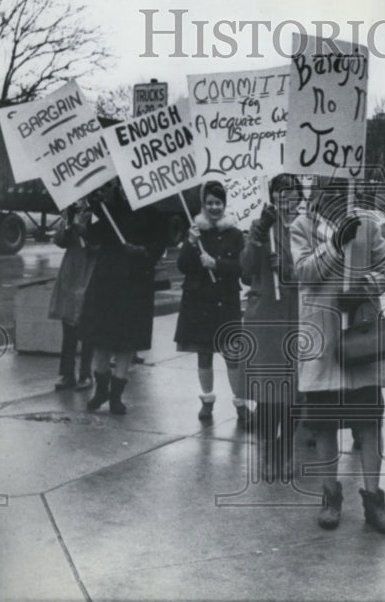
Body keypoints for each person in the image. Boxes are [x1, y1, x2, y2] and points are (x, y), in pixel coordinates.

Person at [290, 176, 385, 534]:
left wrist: (365, 286)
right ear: (317, 187)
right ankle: (330, 497)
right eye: (327, 184)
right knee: (323, 426)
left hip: (360, 339)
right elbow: (303, 272)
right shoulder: (302, 225)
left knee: (368, 422)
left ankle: (373, 502)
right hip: (322, 340)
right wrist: (336, 243)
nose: (334, 191)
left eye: (340, 184)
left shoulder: (367, 223)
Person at [78, 178, 167, 415]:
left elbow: (159, 245)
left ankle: (116, 395)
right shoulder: (108, 208)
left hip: (136, 282)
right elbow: (95, 237)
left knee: (127, 340)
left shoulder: (152, 212)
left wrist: (142, 252)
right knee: (100, 337)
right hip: (106, 280)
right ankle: (101, 390)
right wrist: (93, 212)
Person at [239, 174, 303, 480]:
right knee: (267, 391)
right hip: (266, 319)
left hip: (296, 319)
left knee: (293, 392)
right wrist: (260, 232)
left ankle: (286, 450)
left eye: (290, 193)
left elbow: (315, 271)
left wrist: (288, 270)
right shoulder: (260, 227)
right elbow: (246, 269)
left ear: (299, 198)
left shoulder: (306, 230)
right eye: (279, 193)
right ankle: (265, 452)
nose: (284, 198)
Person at [175, 181, 250, 428]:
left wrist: (215, 263)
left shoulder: (236, 234)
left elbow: (242, 268)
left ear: (224, 204)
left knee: (232, 355)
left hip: (225, 302)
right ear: (203, 205)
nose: (214, 207)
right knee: (204, 354)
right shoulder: (195, 231)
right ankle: (207, 400)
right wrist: (189, 242)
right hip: (199, 303)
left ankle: (240, 403)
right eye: (209, 203)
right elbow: (183, 266)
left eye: (218, 202)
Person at [48, 201, 97, 391]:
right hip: (72, 269)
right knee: (68, 324)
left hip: (90, 269)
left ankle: (86, 374)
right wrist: (68, 224)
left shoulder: (98, 213)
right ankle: (67, 374)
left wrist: (83, 230)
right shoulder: (71, 213)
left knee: (87, 323)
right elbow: (60, 241)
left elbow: (99, 242)